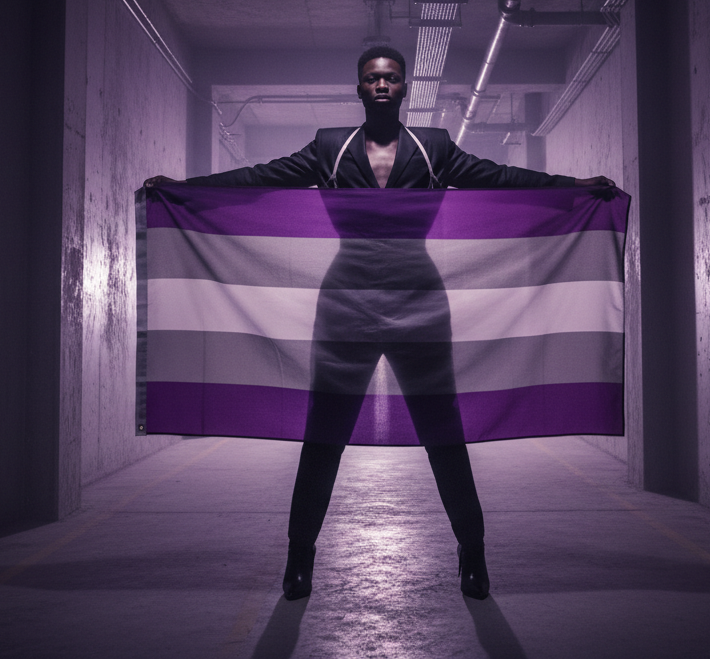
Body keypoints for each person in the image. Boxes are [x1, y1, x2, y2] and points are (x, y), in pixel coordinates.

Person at [145, 46, 615, 601]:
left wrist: (575, 187)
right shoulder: (328, 146)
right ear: (360, 88)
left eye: (391, 77)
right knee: (324, 436)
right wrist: (181, 187)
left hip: (420, 298)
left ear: (405, 86)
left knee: (444, 434)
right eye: (373, 78)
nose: (383, 85)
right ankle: (299, 562)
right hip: (346, 300)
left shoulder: (433, 146)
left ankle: (473, 556)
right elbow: (259, 178)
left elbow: (504, 177)